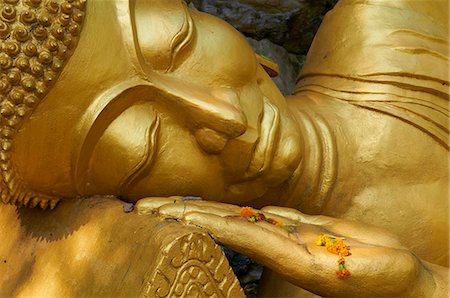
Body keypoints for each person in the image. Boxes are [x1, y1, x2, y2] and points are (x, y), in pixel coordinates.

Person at [1, 0, 448, 296]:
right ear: (140, 200)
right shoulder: (334, 281)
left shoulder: (395, 25)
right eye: (146, 149)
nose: (224, 118)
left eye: (180, 43)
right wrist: (420, 286)